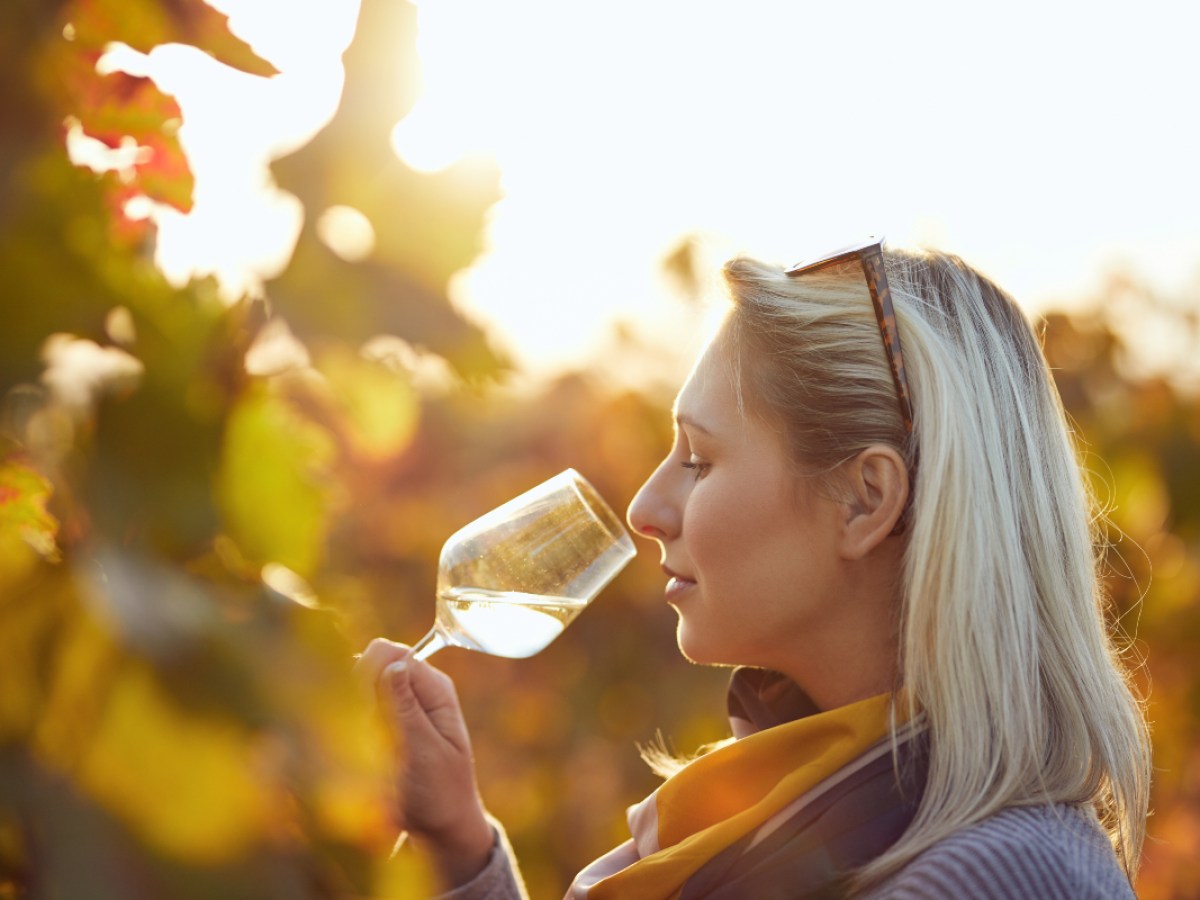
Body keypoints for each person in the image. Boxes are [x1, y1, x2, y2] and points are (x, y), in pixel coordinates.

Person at [357, 239, 1152, 898]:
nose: (643, 507)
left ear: (863, 500)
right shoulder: (805, 801)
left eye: (699, 460)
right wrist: (457, 842)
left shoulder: (997, 878)